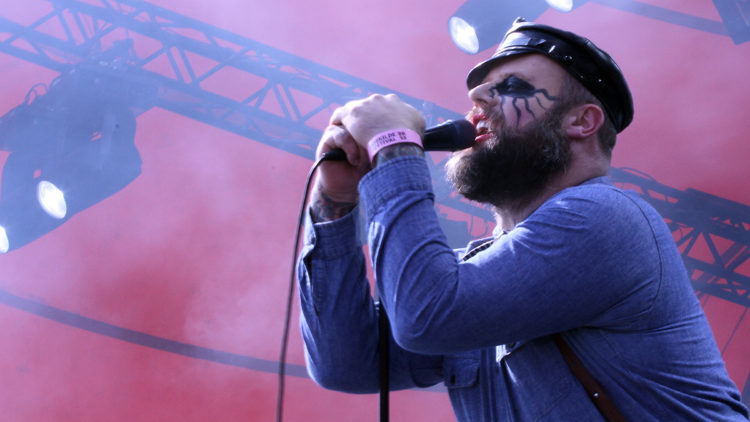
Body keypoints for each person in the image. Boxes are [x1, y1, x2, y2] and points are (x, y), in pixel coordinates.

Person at [296, 18, 749, 421]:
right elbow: (345, 362)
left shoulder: (607, 220)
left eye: (511, 84)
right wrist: (333, 202)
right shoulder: (476, 273)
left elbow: (427, 315)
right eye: (478, 89)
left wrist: (394, 146)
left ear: (582, 121)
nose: (475, 97)